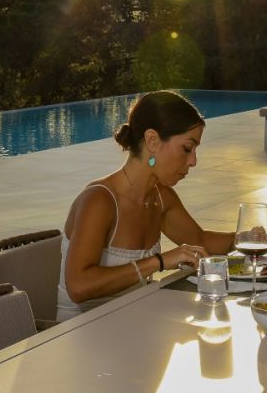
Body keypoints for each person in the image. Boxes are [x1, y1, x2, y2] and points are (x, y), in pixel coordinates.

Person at [55, 91, 238, 322]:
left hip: (133, 324)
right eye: (187, 148)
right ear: (152, 141)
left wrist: (245, 238)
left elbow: (199, 240)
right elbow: (79, 287)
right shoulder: (99, 201)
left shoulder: (161, 198)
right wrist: (159, 262)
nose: (193, 161)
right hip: (77, 335)